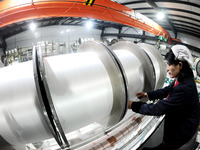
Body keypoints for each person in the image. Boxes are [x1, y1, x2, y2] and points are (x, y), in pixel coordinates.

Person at [128, 45, 200, 150]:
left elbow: (159, 108)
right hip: (181, 126)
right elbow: (167, 90)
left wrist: (133, 105)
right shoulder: (182, 78)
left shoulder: (185, 87)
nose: (167, 69)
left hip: (183, 134)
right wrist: (148, 95)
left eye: (169, 64)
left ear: (179, 65)